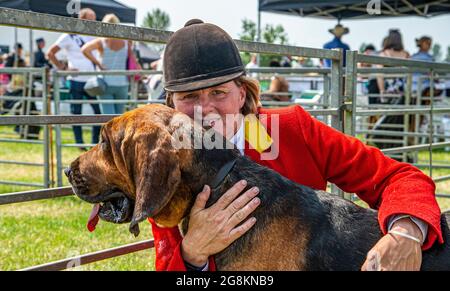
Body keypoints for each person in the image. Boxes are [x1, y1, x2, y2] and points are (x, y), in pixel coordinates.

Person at [149, 19, 442, 271]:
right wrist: (193, 254)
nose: (205, 110)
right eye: (188, 97)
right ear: (170, 106)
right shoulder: (168, 167)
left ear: (242, 94)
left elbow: (399, 177)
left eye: (218, 92)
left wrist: (407, 233)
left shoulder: (291, 129)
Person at [46, 8, 101, 149]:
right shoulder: (69, 35)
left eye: (95, 19)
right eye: (91, 19)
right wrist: (63, 68)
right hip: (75, 80)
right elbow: (50, 53)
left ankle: (95, 143)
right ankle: (79, 143)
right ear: (82, 19)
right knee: (76, 113)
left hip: (92, 81)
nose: (94, 22)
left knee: (98, 113)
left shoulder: (95, 34)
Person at [82, 14, 141, 115]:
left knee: (108, 118)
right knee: (119, 118)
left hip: (105, 84)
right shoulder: (127, 41)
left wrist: (98, 64)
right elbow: (133, 60)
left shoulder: (101, 42)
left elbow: (84, 50)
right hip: (122, 84)